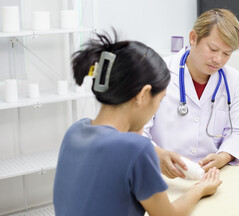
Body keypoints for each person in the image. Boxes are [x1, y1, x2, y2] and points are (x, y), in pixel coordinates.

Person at [53, 31, 222, 216]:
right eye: (160, 100)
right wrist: (201, 188)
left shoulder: (75, 130)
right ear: (143, 95)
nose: (157, 108)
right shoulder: (136, 149)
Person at [143, 9, 239, 179]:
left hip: (213, 176)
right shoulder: (156, 72)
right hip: (164, 176)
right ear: (193, 38)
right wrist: (157, 154)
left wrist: (223, 157)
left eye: (227, 54)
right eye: (213, 49)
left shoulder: (232, 79)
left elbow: (237, 132)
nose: (218, 60)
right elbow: (138, 131)